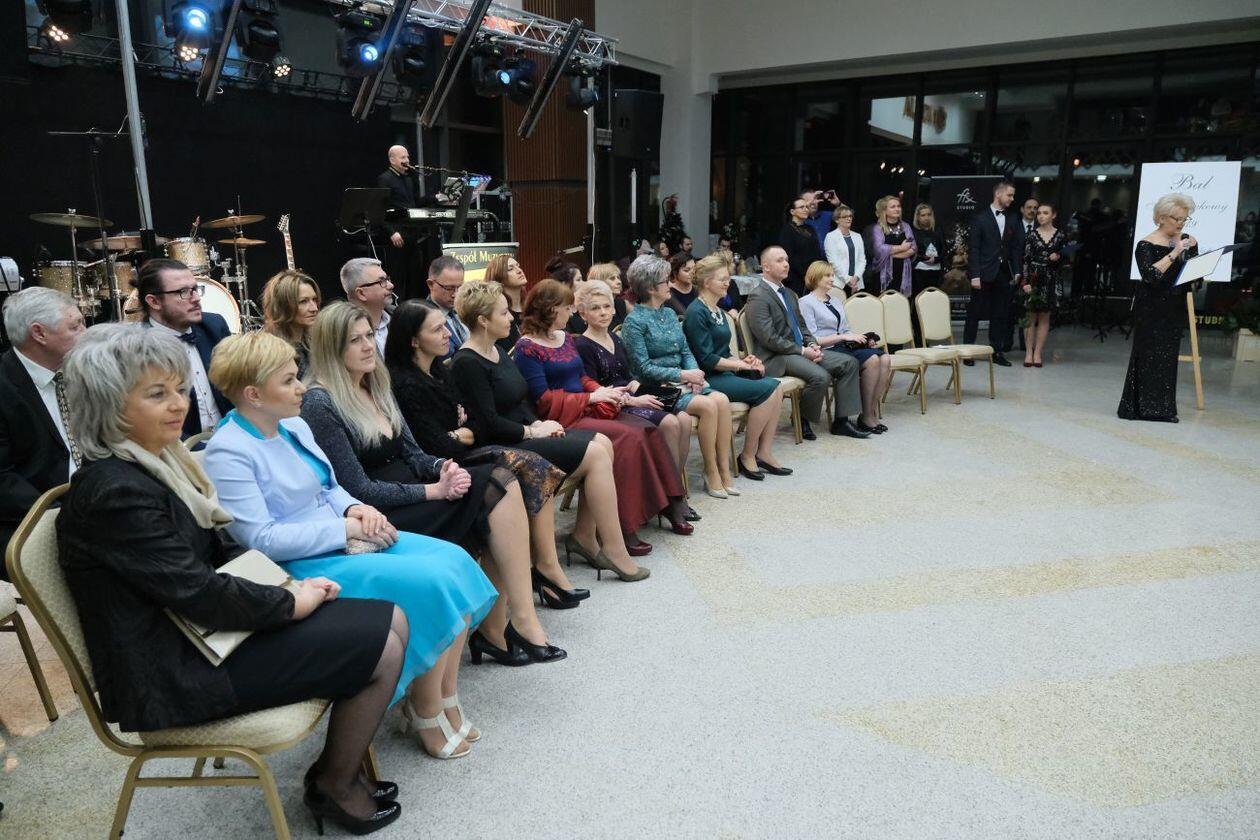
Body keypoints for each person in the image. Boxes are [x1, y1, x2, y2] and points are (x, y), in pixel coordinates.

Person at [58, 325, 406, 834]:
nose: (178, 404)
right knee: (383, 646)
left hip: (199, 635)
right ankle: (334, 784)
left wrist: (287, 591)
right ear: (108, 405)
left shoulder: (156, 462)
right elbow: (197, 591)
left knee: (392, 619)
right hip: (172, 668)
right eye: (156, 394)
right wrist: (291, 603)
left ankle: (338, 772)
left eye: (178, 388)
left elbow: (211, 564)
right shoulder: (114, 491)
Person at [202, 335, 497, 761]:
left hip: (340, 538)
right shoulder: (228, 451)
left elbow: (329, 486)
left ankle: (442, 696)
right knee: (430, 582)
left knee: (454, 560)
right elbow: (261, 540)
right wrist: (344, 529)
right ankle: (426, 708)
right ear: (253, 395)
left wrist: (357, 508)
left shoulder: (293, 426)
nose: (301, 388)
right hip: (298, 566)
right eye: (288, 381)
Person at [300, 304, 565, 666]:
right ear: (332, 349)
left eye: (368, 336)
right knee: (494, 488)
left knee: (500, 480)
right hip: (379, 512)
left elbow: (413, 453)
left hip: (415, 487)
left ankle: (512, 621)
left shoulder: (375, 384)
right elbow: (357, 489)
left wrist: (444, 468)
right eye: (354, 340)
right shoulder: (320, 403)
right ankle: (508, 626)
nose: (367, 346)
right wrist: (433, 490)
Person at [383, 299, 584, 610]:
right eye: (437, 330)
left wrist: (460, 432)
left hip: (467, 450)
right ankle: (540, 571)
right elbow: (436, 446)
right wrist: (460, 431)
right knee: (522, 471)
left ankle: (546, 566)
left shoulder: (439, 370)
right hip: (440, 466)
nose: (447, 334)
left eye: (444, 326)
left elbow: (475, 423)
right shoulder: (406, 384)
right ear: (413, 341)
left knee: (537, 467)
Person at [449, 281, 649, 581]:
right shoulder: (467, 362)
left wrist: (538, 423)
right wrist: (533, 431)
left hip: (525, 431)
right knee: (596, 454)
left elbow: (522, 400)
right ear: (483, 320)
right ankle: (614, 549)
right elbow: (489, 424)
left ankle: (585, 535)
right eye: (503, 313)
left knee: (604, 443)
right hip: (505, 443)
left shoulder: (496, 350)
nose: (511, 318)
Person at [514, 280, 692, 553]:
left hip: (585, 407)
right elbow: (542, 399)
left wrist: (600, 391)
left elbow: (580, 377)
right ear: (550, 309)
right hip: (561, 418)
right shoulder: (527, 348)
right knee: (629, 437)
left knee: (647, 428)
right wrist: (591, 398)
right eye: (566, 307)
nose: (571, 312)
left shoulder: (564, 337)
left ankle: (669, 501)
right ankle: (625, 525)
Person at [621, 255, 740, 498]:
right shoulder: (634, 322)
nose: (670, 284)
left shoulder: (668, 313)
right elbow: (642, 368)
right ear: (651, 288)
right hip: (654, 388)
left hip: (682, 381)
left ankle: (723, 468)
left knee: (722, 400)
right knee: (708, 405)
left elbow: (685, 351)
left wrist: (694, 375)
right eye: (665, 281)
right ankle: (710, 471)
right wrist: (683, 374)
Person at [573, 281, 692, 488]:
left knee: (684, 418)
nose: (603, 312)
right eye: (595, 308)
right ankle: (672, 492)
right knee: (671, 423)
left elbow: (628, 377)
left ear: (613, 309)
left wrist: (648, 391)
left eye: (607, 306)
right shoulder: (582, 345)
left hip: (631, 394)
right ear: (583, 314)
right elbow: (594, 388)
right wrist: (635, 400)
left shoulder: (615, 338)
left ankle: (674, 486)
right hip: (610, 405)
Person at [0, 287, 85, 576]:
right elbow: (3, 480)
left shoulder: (82, 369)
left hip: (91, 499)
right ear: (39, 333)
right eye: (75, 326)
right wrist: (60, 514)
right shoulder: (4, 385)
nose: (85, 332)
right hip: (31, 517)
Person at [744, 246, 868, 441]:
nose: (786, 264)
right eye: (779, 260)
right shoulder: (758, 296)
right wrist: (802, 351)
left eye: (786, 259)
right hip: (776, 357)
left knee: (849, 363)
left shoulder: (789, 293)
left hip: (798, 351)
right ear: (765, 266)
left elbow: (802, 327)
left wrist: (811, 344)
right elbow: (768, 338)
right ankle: (802, 419)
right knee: (821, 376)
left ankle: (842, 421)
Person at [682, 255, 789, 478]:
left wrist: (745, 359)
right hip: (709, 377)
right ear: (706, 282)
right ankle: (747, 456)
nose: (727, 283)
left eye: (728, 278)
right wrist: (739, 365)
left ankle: (764, 452)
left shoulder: (717, 310)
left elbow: (723, 351)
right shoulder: (696, 312)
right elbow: (706, 359)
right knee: (769, 389)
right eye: (722, 279)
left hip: (724, 371)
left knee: (777, 387)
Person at [1118, 193, 1199, 423]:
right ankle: (1139, 408)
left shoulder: (1186, 240)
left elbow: (1191, 276)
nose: (1181, 224)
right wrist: (1175, 252)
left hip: (1174, 305)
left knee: (1168, 357)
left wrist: (1197, 261)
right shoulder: (1145, 244)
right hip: (1151, 306)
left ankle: (1163, 409)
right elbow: (1151, 276)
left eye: (1184, 219)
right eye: (1177, 219)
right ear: (1162, 218)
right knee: (1147, 354)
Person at [136, 258, 232, 437]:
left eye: (195, 289)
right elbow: (149, 421)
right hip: (177, 445)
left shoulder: (214, 325)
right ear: (154, 301)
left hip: (231, 436)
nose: (196, 298)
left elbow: (237, 388)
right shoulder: (136, 347)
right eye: (183, 292)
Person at [798, 261, 892, 433]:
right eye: (827, 275)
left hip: (843, 346)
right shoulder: (806, 302)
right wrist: (843, 337)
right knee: (872, 360)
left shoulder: (835, 301)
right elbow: (811, 338)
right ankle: (865, 417)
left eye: (832, 275)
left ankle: (868, 414)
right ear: (815, 277)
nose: (832, 279)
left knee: (885, 358)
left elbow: (845, 330)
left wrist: (860, 339)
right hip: (824, 350)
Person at [963, 180, 1023, 366]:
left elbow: (1016, 247)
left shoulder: (1013, 218)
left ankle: (997, 352)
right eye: (1009, 195)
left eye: (1013, 195)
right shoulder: (980, 218)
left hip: (1004, 273)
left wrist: (1017, 270)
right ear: (998, 194)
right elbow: (974, 248)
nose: (1012, 199)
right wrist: (975, 275)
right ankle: (967, 351)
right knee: (974, 312)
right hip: (983, 272)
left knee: (1000, 313)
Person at [376, 145, 439, 300]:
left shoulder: (409, 179)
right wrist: (391, 232)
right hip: (397, 235)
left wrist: (435, 198)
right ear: (392, 160)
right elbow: (380, 210)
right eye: (402, 157)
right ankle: (397, 306)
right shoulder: (385, 179)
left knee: (414, 274)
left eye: (408, 157)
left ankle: (412, 305)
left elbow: (415, 203)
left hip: (412, 234)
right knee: (398, 275)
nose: (407, 160)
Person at [1021, 203, 1066, 368]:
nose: (1040, 216)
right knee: (1030, 317)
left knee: (1045, 317)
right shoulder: (1031, 235)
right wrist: (1025, 282)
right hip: (1033, 278)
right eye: (1039, 213)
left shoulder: (1060, 235)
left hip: (1051, 279)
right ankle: (1028, 352)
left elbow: (1066, 259)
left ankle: (1038, 353)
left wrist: (1058, 256)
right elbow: (1025, 259)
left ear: (1053, 215)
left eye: (1045, 213)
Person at [261, 269, 321, 378]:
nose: (314, 308)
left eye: (314, 300)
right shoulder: (273, 353)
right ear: (283, 306)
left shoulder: (315, 344)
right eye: (303, 301)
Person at [340, 258, 395, 357]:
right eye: (382, 281)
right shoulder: (343, 332)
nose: (391, 285)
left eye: (387, 279)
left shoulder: (399, 315)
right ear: (361, 293)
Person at [910, 203, 945, 345]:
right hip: (919, 272)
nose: (926, 218)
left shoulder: (938, 231)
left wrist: (936, 259)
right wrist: (924, 258)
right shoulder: (913, 232)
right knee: (918, 305)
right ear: (917, 217)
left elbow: (944, 250)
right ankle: (919, 339)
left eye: (928, 215)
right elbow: (912, 251)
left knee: (930, 306)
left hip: (935, 273)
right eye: (923, 215)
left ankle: (928, 338)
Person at [871, 196, 917, 297]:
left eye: (898, 206)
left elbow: (913, 248)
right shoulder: (878, 228)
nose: (897, 209)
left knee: (900, 301)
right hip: (884, 274)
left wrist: (890, 254)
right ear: (884, 210)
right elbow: (879, 250)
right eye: (893, 207)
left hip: (903, 272)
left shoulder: (906, 227)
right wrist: (902, 248)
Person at [780, 195, 825, 296]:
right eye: (801, 207)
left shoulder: (810, 228)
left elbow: (816, 252)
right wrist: (805, 273)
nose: (806, 209)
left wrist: (817, 272)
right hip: (796, 278)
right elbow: (790, 256)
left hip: (813, 276)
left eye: (806, 207)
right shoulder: (787, 230)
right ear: (792, 211)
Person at [483, 253, 527, 352]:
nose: (519, 270)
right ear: (499, 277)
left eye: (518, 266)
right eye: (510, 269)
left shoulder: (532, 306)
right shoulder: (496, 312)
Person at [426, 256, 468, 359]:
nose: (456, 294)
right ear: (431, 284)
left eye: (460, 287)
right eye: (449, 288)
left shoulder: (467, 309)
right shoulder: (424, 319)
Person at [823, 204, 866, 297]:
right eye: (845, 216)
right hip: (839, 284)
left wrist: (856, 277)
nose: (849, 219)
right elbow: (833, 262)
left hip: (857, 283)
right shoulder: (831, 236)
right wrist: (848, 280)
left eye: (850, 216)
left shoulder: (857, 236)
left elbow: (862, 260)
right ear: (837, 220)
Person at [664, 252, 698, 317]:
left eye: (694, 269)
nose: (692, 273)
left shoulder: (699, 290)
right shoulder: (669, 296)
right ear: (675, 272)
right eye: (686, 270)